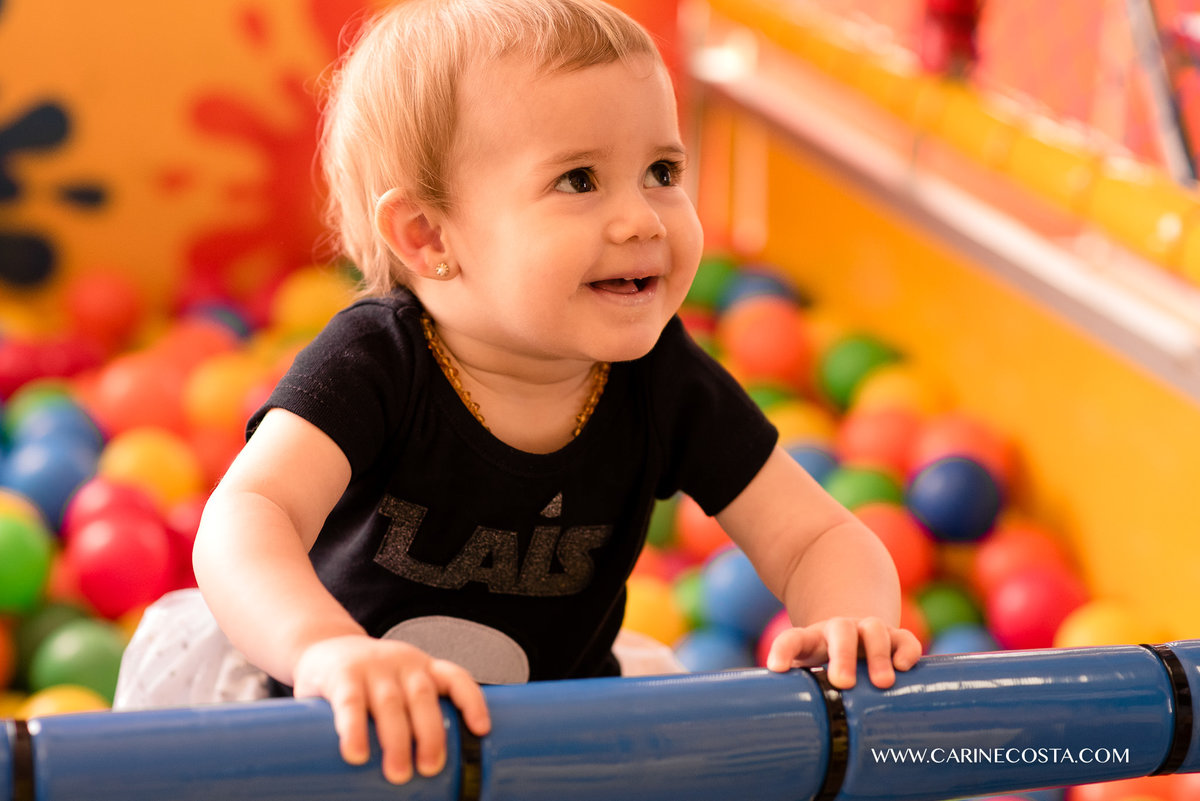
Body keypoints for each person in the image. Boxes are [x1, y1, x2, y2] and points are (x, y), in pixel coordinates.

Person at [119, 0, 921, 787]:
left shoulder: (661, 377)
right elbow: (246, 518)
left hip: (555, 740)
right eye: (579, 180)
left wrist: (846, 619)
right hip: (328, 732)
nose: (642, 219)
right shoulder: (376, 361)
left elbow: (814, 536)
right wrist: (325, 646)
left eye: (663, 171)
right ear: (428, 236)